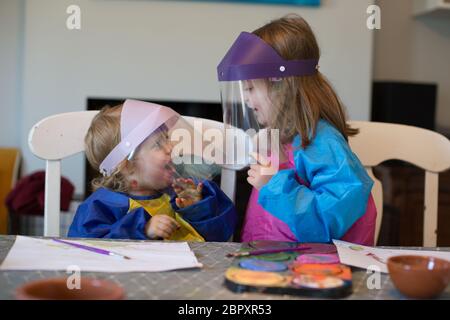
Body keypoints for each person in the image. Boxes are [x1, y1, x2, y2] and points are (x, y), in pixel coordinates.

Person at [217, 15, 377, 245]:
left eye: (251, 88)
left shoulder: (322, 143)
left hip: (317, 273)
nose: (248, 101)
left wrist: (274, 184)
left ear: (283, 86)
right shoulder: (284, 139)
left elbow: (330, 222)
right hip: (273, 262)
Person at [68, 99, 237, 241]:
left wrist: (197, 208)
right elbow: (88, 247)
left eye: (167, 138)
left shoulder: (177, 193)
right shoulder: (102, 205)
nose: (170, 147)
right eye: (158, 144)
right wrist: (141, 229)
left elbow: (220, 237)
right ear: (127, 166)